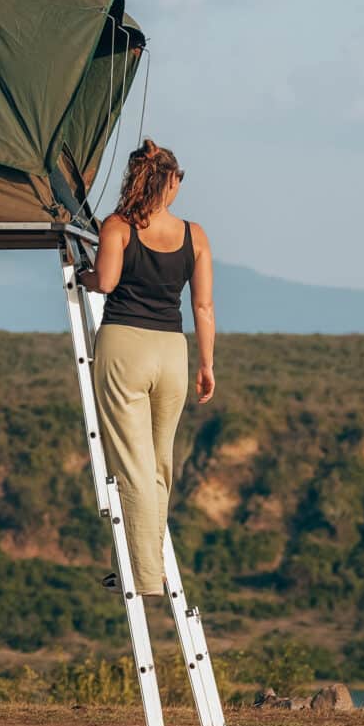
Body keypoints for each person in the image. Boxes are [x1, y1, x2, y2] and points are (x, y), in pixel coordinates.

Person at [91, 140, 216, 600]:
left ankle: (143, 574)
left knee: (131, 465)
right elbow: (202, 306)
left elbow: (105, 282)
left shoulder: (117, 227)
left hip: (125, 344)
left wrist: (83, 277)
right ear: (172, 180)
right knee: (159, 465)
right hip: (172, 350)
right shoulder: (194, 235)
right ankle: (138, 560)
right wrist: (206, 363)